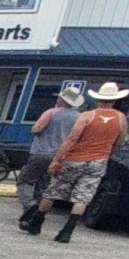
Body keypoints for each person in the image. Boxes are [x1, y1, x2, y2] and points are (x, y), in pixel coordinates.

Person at [23, 82, 129, 242]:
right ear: (114, 101)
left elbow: (72, 138)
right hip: (98, 161)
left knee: (53, 191)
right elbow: (119, 143)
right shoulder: (121, 119)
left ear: (98, 99)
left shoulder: (87, 116)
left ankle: (37, 222)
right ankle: (67, 231)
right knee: (83, 197)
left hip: (75, 158)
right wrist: (106, 154)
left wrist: (57, 159)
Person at [16, 88, 84, 224]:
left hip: (41, 152)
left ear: (62, 100)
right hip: (60, 157)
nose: (57, 100)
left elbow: (36, 129)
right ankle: (34, 215)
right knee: (45, 185)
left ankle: (30, 205)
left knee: (25, 180)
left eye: (59, 98)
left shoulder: (51, 112)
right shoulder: (79, 117)